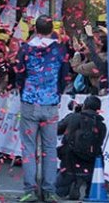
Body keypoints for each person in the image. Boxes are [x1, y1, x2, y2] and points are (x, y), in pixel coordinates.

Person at [14, 17, 70, 203]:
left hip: (30, 102)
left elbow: (19, 72)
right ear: (50, 29)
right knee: (49, 148)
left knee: (29, 148)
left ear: (35, 30)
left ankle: (30, 190)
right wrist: (57, 92)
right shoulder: (60, 49)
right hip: (51, 102)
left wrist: (23, 90)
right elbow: (65, 75)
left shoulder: (26, 49)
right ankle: (49, 190)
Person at [54, 96, 106, 200]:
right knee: (91, 194)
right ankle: (85, 190)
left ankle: (73, 184)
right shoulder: (101, 125)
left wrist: (74, 114)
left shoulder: (73, 117)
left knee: (58, 192)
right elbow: (99, 143)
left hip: (69, 164)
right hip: (91, 168)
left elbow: (56, 129)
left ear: (85, 106)